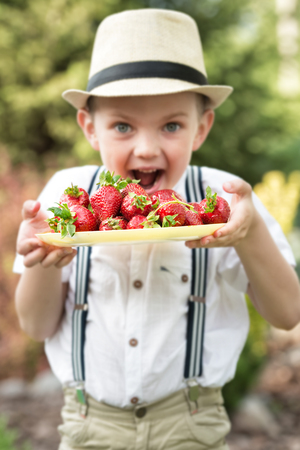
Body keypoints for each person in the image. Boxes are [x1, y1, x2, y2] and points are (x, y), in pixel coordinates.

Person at [14, 8, 300, 450]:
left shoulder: (223, 199)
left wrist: (251, 233)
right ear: (90, 128)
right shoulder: (67, 196)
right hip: (90, 426)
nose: (147, 148)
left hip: (192, 425)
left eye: (171, 125)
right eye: (123, 126)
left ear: (201, 128)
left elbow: (286, 313)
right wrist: (44, 258)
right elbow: (35, 325)